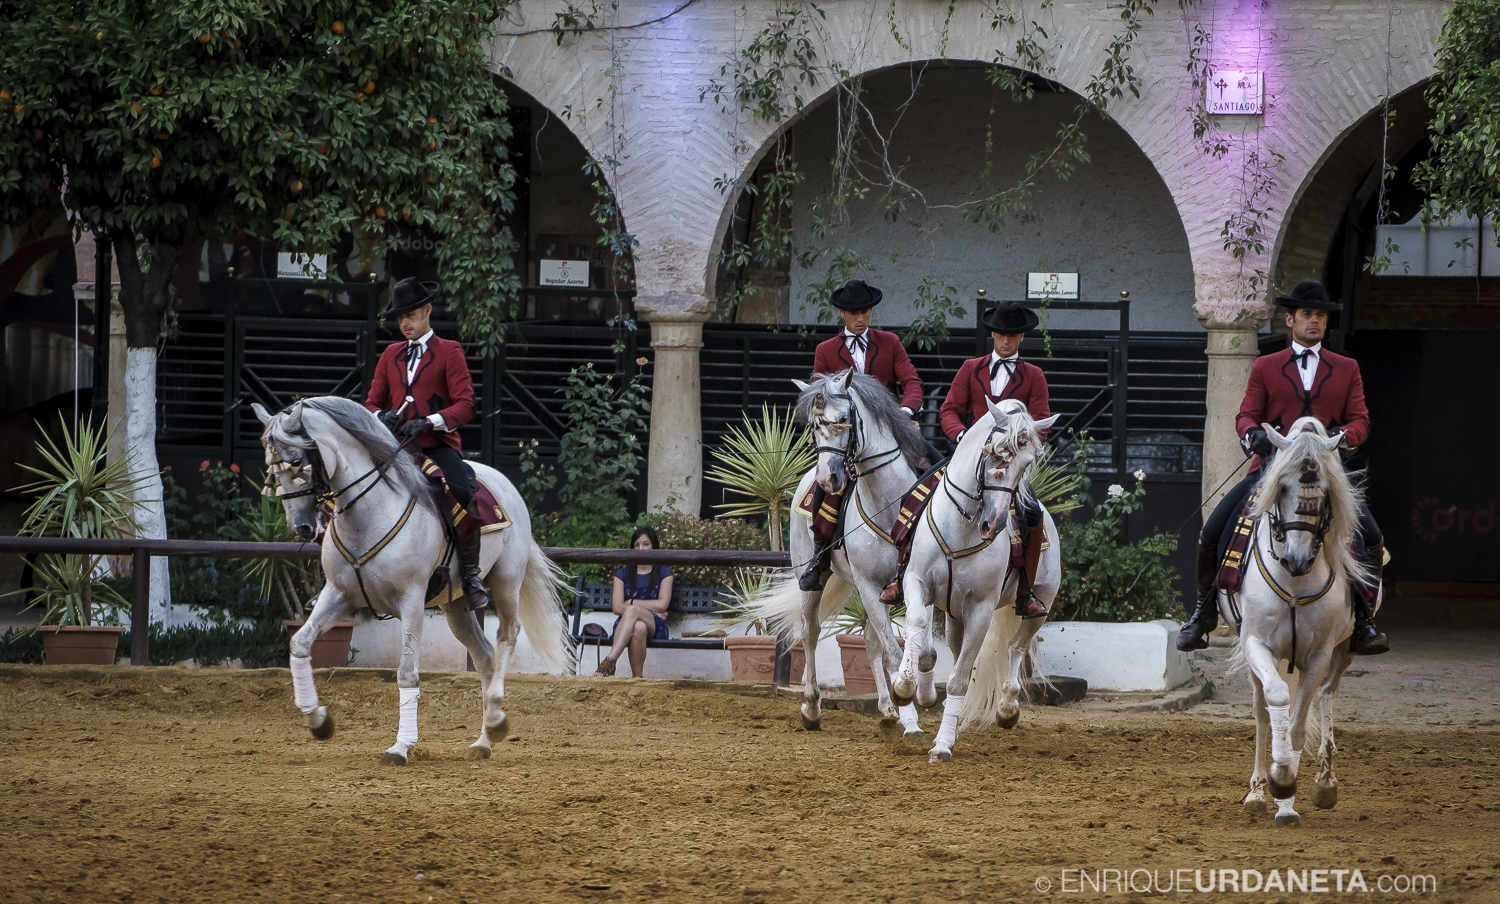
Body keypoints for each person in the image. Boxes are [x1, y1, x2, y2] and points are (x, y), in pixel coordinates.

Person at [1176, 280, 1388, 655]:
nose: (1314, 321)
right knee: (1212, 531)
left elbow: (1361, 420)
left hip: (1325, 475)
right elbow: (1247, 415)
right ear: (1290, 319)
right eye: (1307, 314)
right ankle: (1203, 613)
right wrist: (1252, 435)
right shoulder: (1265, 365)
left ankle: (1364, 620)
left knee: (1370, 537)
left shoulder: (1346, 368)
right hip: (1272, 472)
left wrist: (1342, 435)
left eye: (1321, 315)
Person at [363, 277, 490, 611]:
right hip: (397, 447)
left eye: (411, 314)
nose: (405, 322)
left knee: (462, 491)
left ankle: (472, 573)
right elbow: (370, 403)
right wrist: (381, 417)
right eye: (399, 317)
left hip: (436, 445)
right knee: (353, 484)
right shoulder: (390, 354)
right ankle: (343, 573)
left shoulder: (450, 351)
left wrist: (431, 421)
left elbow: (466, 405)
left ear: (427, 311)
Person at [800, 278, 935, 592]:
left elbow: (911, 382)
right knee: (826, 485)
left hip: (892, 429)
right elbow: (820, 397)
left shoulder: (890, 342)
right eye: (854, 312)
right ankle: (820, 554)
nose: (861, 317)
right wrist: (827, 426)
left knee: (935, 467)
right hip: (846, 436)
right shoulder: (825, 350)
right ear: (843, 314)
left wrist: (904, 412)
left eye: (866, 311)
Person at [936, 300, 1052, 618]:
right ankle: (905, 572)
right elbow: (949, 410)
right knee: (919, 498)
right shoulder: (970, 368)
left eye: (1012, 335)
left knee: (1031, 513)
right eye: (1000, 334)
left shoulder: (1034, 375)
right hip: (968, 461)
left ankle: (1025, 591)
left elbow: (1041, 422)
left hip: (1009, 468)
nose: (1005, 341)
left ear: (1022, 338)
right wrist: (962, 437)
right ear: (992, 334)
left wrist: (1019, 447)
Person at [594, 526, 675, 678]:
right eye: (636, 544)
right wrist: (650, 606)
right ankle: (637, 679)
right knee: (638, 626)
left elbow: (662, 605)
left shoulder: (665, 572)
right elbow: (617, 608)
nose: (641, 548)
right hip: (626, 624)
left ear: (654, 546)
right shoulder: (622, 573)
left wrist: (630, 602)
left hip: (656, 624)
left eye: (646, 544)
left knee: (631, 610)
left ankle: (610, 660)